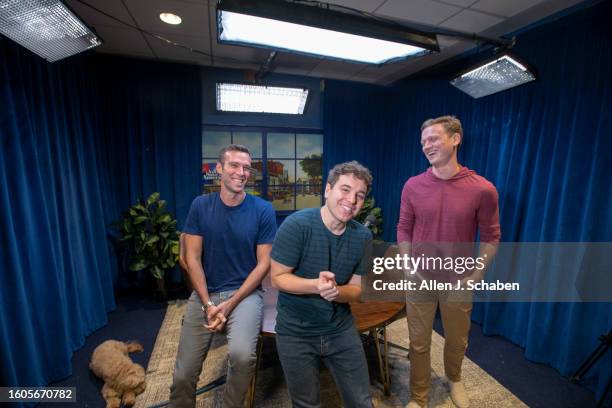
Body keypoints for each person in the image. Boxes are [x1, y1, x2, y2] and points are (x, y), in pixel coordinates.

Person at [397, 116, 501, 408]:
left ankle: (454, 379)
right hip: (420, 279)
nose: (426, 146)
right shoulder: (413, 186)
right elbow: (403, 228)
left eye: (433, 139)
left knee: (457, 340)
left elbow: (492, 236)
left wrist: (477, 273)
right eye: (423, 142)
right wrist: (408, 265)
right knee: (418, 342)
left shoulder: (482, 188)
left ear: (455, 139)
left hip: (459, 279)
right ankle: (419, 397)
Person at [169, 144, 277, 408]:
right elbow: (191, 259)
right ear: (219, 169)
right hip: (205, 293)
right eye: (234, 165)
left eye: (246, 167)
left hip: (246, 294)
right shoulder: (200, 206)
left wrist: (230, 304)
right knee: (183, 375)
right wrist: (207, 304)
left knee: (242, 357)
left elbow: (263, 264)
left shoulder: (262, 209)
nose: (241, 172)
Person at [271, 161, 374, 408]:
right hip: (295, 332)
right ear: (328, 190)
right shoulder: (297, 225)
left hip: (340, 329)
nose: (352, 199)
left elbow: (358, 290)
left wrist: (336, 291)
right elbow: (277, 278)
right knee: (306, 404)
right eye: (345, 189)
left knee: (361, 402)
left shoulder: (363, 237)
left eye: (360, 195)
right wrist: (316, 285)